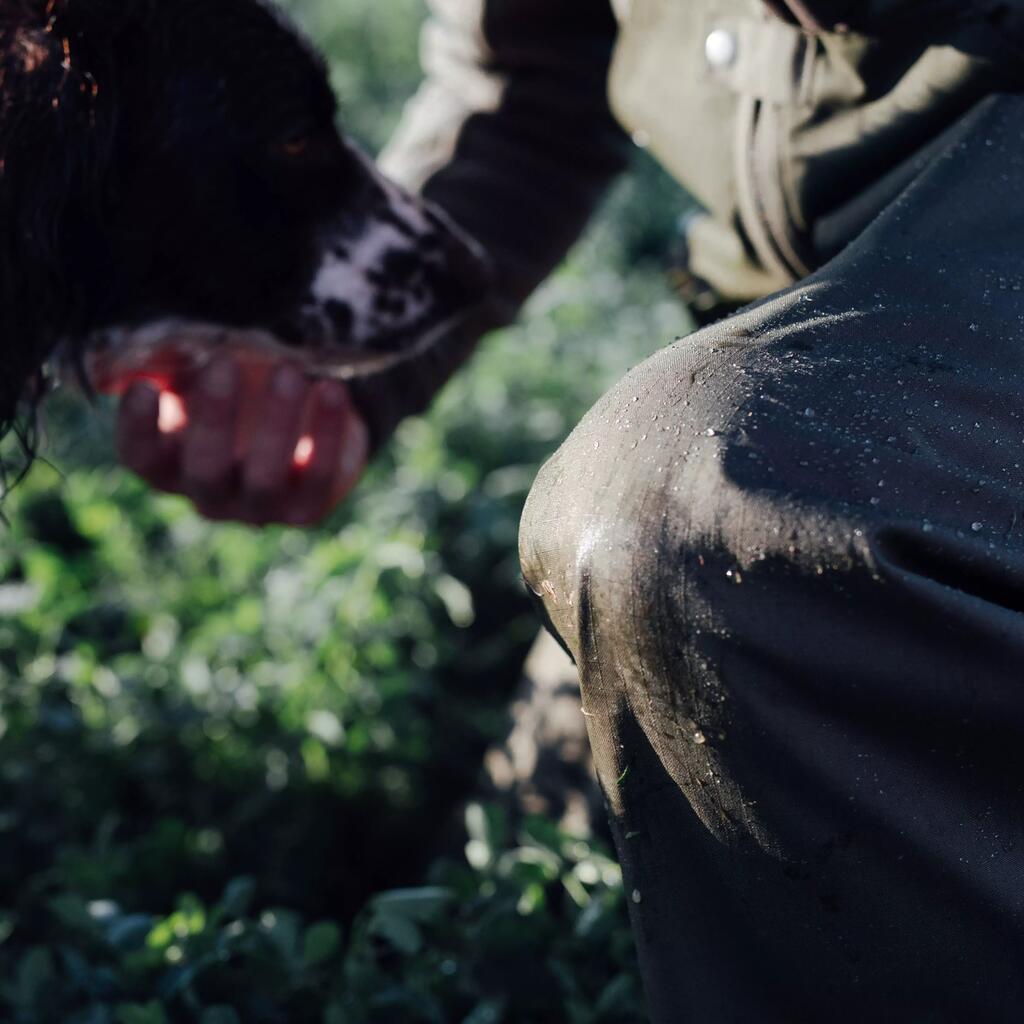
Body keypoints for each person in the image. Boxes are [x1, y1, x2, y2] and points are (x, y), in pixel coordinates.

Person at [118, 1, 1024, 1019]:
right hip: (811, 307)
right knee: (500, 922)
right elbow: (528, 73)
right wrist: (340, 352)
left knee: (705, 523)